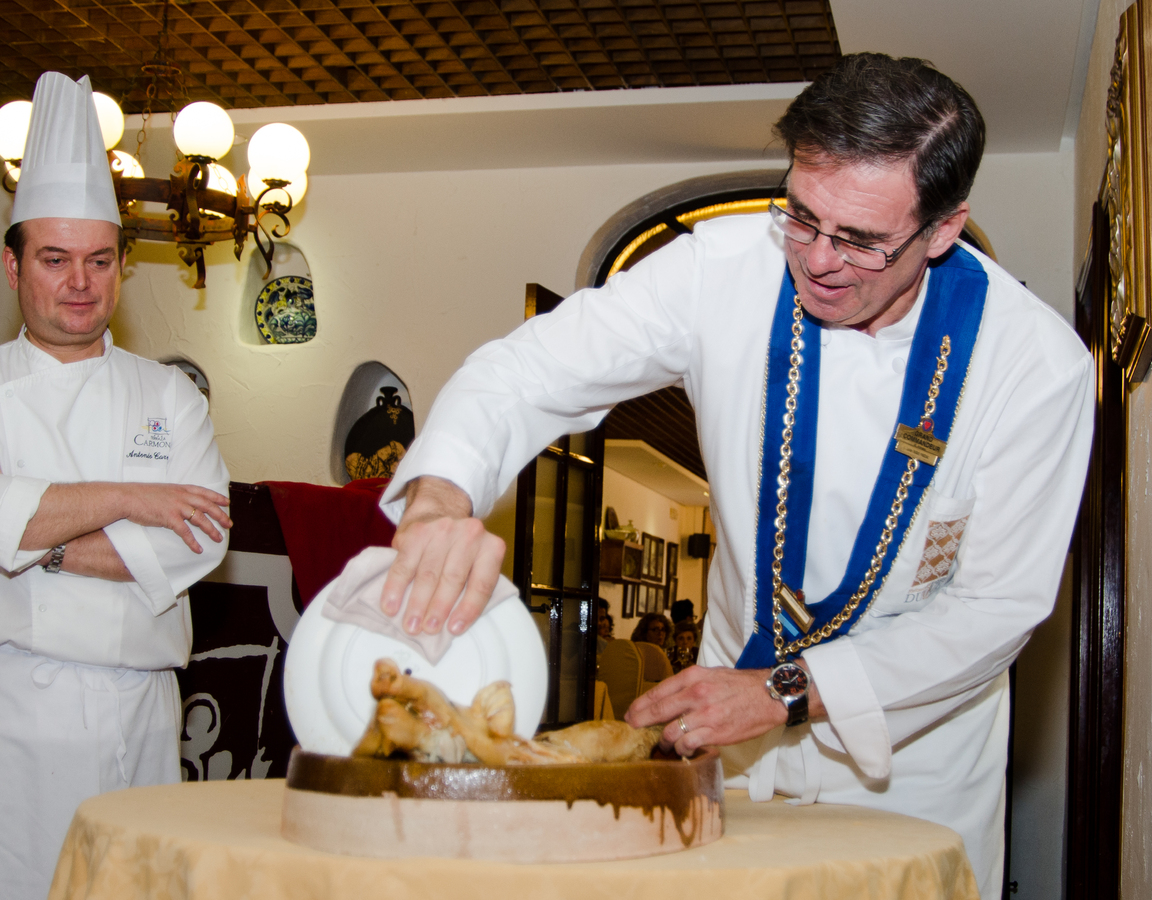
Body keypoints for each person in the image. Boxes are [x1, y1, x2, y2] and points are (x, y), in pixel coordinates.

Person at [376, 53, 1093, 900]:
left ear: (942, 230)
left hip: (908, 761)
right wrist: (440, 494)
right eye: (802, 216)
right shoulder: (723, 266)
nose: (817, 260)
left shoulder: (1036, 365)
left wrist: (786, 691)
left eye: (860, 240)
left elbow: (996, 609)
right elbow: (530, 371)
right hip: (727, 741)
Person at [0, 72, 231, 900]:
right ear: (12, 267)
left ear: (120, 267)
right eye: (55, 259)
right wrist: (131, 498)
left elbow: (202, 534)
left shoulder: (169, 396)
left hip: (136, 714)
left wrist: (31, 533)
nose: (81, 282)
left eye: (100, 260)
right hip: (0, 716)